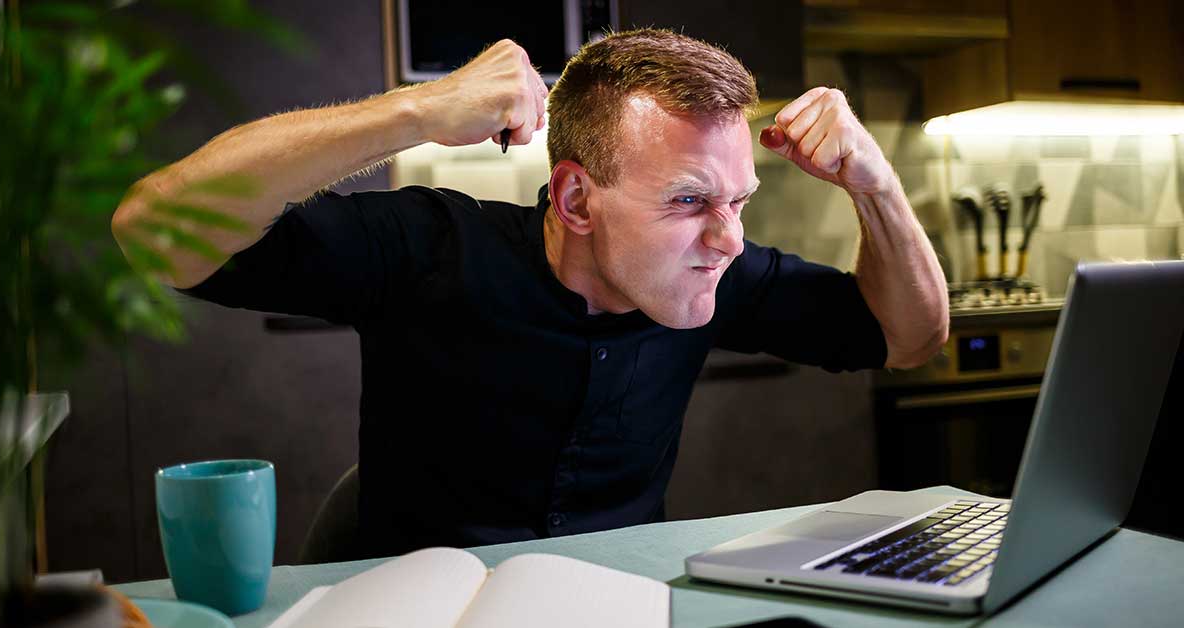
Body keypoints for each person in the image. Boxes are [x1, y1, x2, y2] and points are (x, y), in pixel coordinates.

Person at [111, 29, 948, 558]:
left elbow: (908, 339)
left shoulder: (715, 270)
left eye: (738, 202)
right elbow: (154, 229)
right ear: (576, 199)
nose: (727, 239)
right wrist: (413, 110)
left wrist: (875, 186)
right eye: (689, 201)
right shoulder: (435, 247)